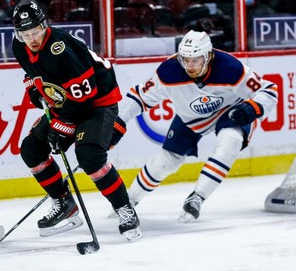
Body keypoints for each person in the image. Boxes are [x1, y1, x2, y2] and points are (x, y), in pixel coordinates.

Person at [110, 30, 278, 222]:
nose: (189, 66)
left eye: (195, 60)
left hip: (230, 111)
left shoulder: (230, 67)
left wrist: (252, 108)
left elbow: (269, 89)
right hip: (190, 117)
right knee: (166, 160)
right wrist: (118, 122)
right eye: (185, 59)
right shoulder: (170, 70)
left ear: (208, 56)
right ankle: (129, 201)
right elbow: (138, 96)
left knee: (229, 142)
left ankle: (197, 197)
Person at [11, 0, 142, 241]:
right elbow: (32, 73)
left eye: (36, 32)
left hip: (98, 103)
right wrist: (33, 88)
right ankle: (64, 203)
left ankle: (125, 209)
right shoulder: (19, 47)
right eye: (25, 34)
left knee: (90, 156)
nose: (32, 39)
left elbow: (86, 95)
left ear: (44, 25)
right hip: (66, 103)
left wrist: (63, 127)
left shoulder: (59, 48)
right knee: (31, 150)